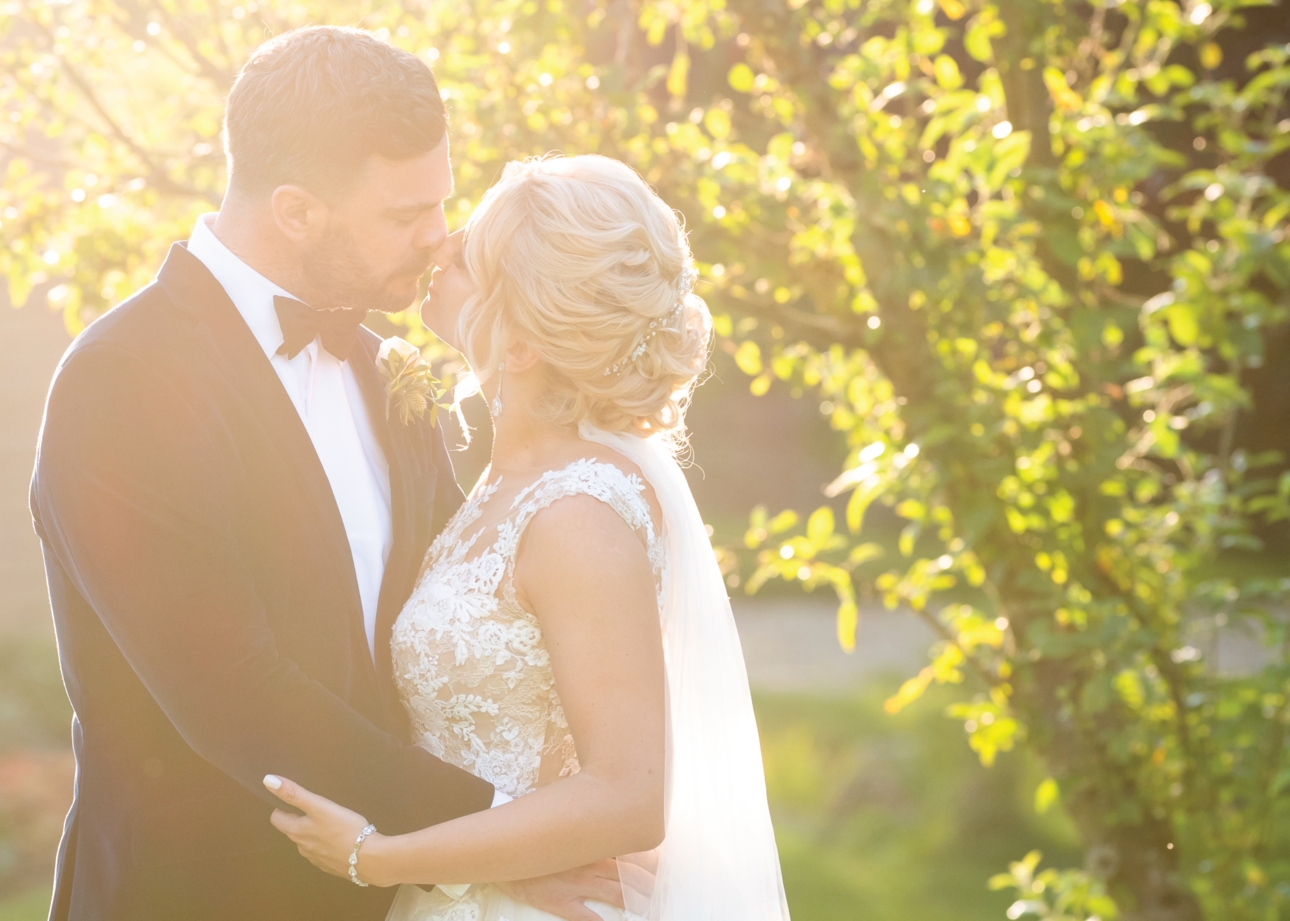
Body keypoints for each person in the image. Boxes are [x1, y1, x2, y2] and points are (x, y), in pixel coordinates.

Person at [29, 26, 620, 921]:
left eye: (441, 202)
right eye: (403, 214)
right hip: (192, 897)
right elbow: (234, 687)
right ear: (297, 210)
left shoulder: (387, 368)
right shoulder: (122, 382)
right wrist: (499, 840)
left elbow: (462, 610)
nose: (438, 240)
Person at [262, 154, 792, 920]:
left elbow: (629, 796)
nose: (438, 247)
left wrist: (380, 857)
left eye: (469, 254)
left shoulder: (578, 514)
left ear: (520, 346)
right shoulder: (503, 485)